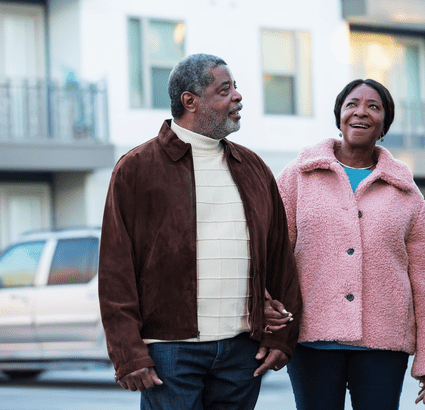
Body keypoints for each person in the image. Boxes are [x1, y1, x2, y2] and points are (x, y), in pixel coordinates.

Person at [98, 53, 301, 410]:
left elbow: (280, 258)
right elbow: (116, 271)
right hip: (169, 353)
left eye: (235, 88)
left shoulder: (253, 167)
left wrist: (282, 337)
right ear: (189, 101)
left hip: (242, 351)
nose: (237, 97)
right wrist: (128, 353)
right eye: (224, 90)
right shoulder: (137, 169)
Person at [274, 79, 425, 410]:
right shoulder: (297, 177)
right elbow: (274, 257)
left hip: (384, 345)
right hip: (313, 340)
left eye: (373, 106)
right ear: (339, 114)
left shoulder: (406, 191)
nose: (360, 112)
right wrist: (272, 323)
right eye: (352, 104)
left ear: (384, 123)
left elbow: (423, 281)